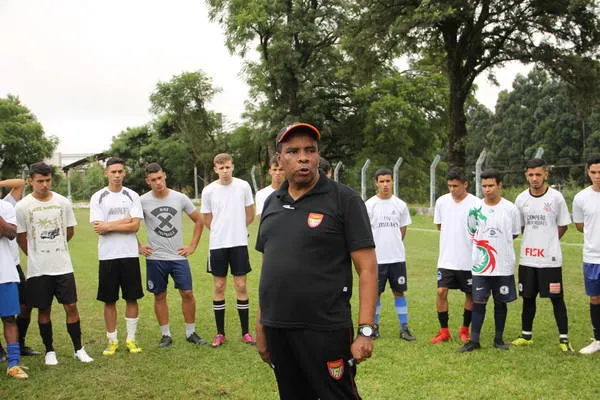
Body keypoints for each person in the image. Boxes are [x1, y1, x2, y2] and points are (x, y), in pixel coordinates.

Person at [255, 122, 378, 399]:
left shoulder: (343, 199)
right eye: (293, 151)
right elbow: (270, 269)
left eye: (310, 150)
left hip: (325, 328)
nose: (303, 157)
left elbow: (368, 268)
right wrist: (262, 324)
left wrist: (366, 330)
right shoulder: (272, 203)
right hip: (279, 327)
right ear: (279, 159)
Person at [15, 162, 93, 365]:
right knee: (44, 309)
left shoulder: (62, 202)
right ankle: (50, 350)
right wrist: (36, 254)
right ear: (30, 181)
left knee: (71, 306)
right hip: (38, 269)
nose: (44, 185)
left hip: (63, 266)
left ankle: (79, 348)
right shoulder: (22, 206)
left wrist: (55, 246)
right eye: (40, 181)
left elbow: (69, 230)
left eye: (48, 180)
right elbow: (21, 237)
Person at [139, 163, 207, 347]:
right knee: (159, 295)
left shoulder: (180, 198)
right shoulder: (141, 201)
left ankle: (191, 332)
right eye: (153, 180)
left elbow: (199, 220)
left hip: (178, 257)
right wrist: (139, 246)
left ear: (165, 176)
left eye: (160, 178)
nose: (158, 182)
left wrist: (192, 245)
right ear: (148, 181)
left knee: (187, 293)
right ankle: (166, 335)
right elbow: (131, 225)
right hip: (155, 258)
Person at [512, 158, 573, 353]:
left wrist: (549, 242)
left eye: (538, 174)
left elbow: (563, 225)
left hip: (550, 260)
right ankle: (526, 335)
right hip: (528, 259)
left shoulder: (556, 198)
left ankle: (564, 339)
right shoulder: (521, 199)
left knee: (556, 298)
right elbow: (519, 227)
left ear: (546, 174)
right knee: (528, 298)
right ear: (526, 176)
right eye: (531, 175)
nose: (535, 178)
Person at [458, 169, 520, 352]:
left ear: (500, 185)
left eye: (491, 185)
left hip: (503, 265)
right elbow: (471, 234)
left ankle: (498, 339)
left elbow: (514, 233)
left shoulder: (511, 209)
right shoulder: (475, 210)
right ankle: (474, 340)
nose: (487, 189)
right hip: (480, 266)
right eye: (484, 186)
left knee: (500, 302)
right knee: (479, 302)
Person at [90, 157, 144, 355]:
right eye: (113, 172)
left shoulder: (132, 195)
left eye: (120, 171)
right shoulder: (98, 197)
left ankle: (131, 339)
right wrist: (124, 221)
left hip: (129, 255)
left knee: (132, 298)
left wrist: (110, 224)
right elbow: (100, 229)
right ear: (106, 173)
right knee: (109, 300)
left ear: (124, 173)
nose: (117, 175)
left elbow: (135, 226)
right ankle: (112, 340)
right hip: (108, 256)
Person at [201, 153, 256, 347]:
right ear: (215, 169)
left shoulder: (243, 186)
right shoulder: (208, 191)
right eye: (220, 168)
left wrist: (237, 229)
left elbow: (250, 214)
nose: (224, 171)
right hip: (217, 245)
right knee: (219, 286)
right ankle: (220, 333)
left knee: (241, 285)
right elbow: (207, 219)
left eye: (227, 167)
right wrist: (220, 231)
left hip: (239, 243)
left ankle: (246, 332)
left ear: (232, 166)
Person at [365, 168, 414, 340]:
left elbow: (403, 229)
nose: (385, 184)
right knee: (375, 293)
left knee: (399, 292)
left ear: (392, 181)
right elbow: (366, 232)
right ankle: (374, 327)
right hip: (377, 259)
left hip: (397, 258)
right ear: (376, 183)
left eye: (388, 181)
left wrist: (394, 244)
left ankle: (404, 328)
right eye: (382, 181)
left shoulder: (400, 205)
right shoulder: (369, 205)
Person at [431, 167, 478, 344]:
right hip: (447, 259)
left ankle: (465, 330)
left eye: (456, 186)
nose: (452, 189)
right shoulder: (442, 202)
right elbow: (439, 226)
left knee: (470, 295)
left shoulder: (476, 203)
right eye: (449, 186)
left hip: (469, 260)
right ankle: (444, 332)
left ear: (465, 184)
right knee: (441, 291)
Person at [0, 178, 39, 361]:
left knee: (24, 304)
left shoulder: (7, 204)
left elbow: (20, 182)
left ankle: (19, 344)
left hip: (11, 265)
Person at [573, 154, 600, 354]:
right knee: (595, 298)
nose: (598, 176)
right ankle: (598, 339)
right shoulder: (581, 198)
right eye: (594, 172)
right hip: (593, 257)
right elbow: (581, 226)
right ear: (588, 172)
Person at [1, 197, 28, 378]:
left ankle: (13, 364)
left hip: (4, 272)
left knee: (9, 318)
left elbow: (11, 232)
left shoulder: (5, 206)